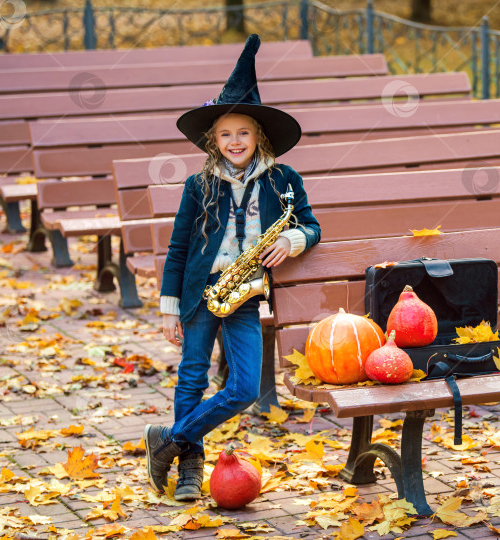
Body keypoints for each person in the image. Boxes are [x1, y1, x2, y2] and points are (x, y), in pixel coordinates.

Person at [143, 35, 320, 502]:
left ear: (259, 136)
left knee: (242, 388)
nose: (234, 141)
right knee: (193, 375)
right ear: (213, 140)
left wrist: (290, 238)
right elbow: (179, 249)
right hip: (202, 291)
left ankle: (168, 442)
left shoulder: (284, 179)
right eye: (225, 134)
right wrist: (169, 307)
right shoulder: (197, 185)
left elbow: (311, 225)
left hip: (244, 293)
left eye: (243, 133)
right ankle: (189, 467)